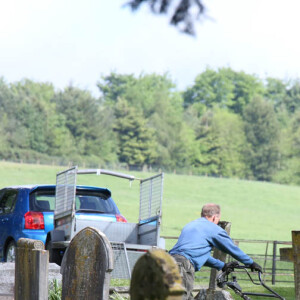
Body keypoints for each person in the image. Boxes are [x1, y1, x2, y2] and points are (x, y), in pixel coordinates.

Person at [169, 203, 262, 300]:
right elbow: (231, 248)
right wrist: (250, 262)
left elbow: (195, 255)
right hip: (182, 267)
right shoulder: (213, 228)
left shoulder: (190, 225)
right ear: (214, 218)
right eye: (217, 220)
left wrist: (222, 265)